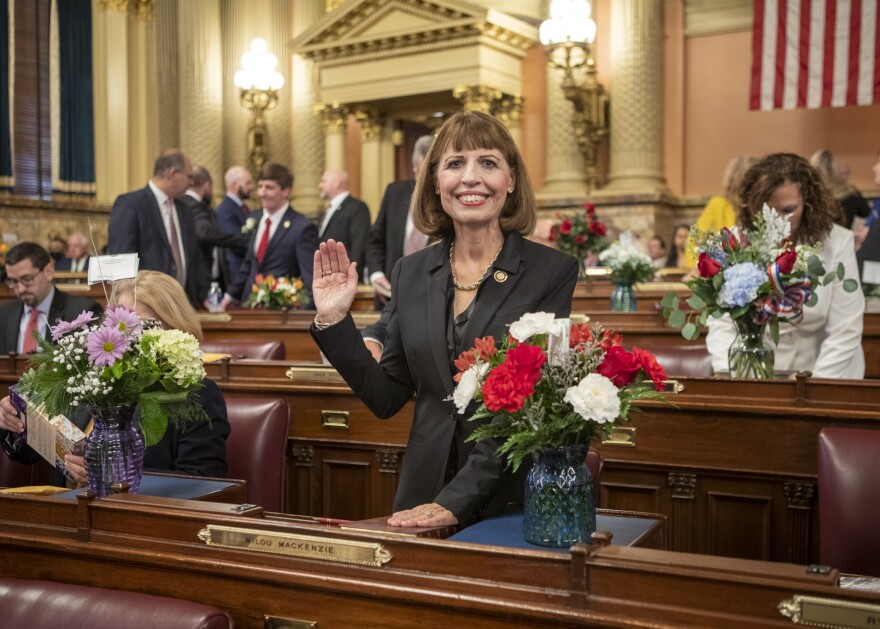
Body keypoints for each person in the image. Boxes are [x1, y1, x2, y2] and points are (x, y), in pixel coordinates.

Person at [311, 111, 579, 530]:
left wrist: (457, 501)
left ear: (511, 180)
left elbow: (528, 407)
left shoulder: (551, 271)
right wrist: (334, 321)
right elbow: (387, 396)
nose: (471, 177)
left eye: (488, 163)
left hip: (509, 497)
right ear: (435, 181)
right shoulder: (410, 272)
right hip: (422, 492)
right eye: (455, 164)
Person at [0, 270, 230, 484]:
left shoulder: (195, 393)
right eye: (118, 326)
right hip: (65, 512)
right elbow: (33, 451)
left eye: (141, 326)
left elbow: (201, 482)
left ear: (174, 328)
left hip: (131, 521)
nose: (126, 338)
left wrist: (114, 479)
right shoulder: (91, 377)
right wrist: (15, 420)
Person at [706, 153, 865, 379]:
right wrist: (731, 376)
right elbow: (721, 323)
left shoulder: (837, 243)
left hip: (826, 370)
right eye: (769, 210)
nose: (779, 220)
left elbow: (845, 330)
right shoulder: (736, 243)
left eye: (789, 210)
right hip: (756, 371)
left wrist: (814, 387)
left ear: (808, 204)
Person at [107, 148, 209, 310]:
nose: (191, 183)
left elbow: (195, 256)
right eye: (189, 176)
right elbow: (121, 259)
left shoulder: (185, 210)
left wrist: (205, 296)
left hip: (184, 307)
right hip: (146, 307)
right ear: (172, 173)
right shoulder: (131, 204)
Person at [223, 162, 318, 308]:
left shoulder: (302, 227)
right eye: (260, 186)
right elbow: (249, 264)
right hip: (248, 305)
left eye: (269, 187)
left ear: (286, 191)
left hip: (281, 309)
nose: (262, 193)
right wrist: (229, 296)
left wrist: (301, 314)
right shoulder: (254, 218)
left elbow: (310, 277)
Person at [366, 134, 433, 308]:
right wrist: (376, 274)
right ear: (414, 168)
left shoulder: (450, 198)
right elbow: (375, 240)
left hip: (432, 298)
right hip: (390, 297)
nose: (427, 179)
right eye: (422, 171)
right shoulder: (395, 192)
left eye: (432, 171)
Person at [0, 242, 102, 354]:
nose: (20, 289)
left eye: (27, 279)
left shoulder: (81, 313)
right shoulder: (4, 315)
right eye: (14, 281)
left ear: (49, 272)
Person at [182, 165, 247, 292]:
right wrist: (240, 241)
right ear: (207, 186)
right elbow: (205, 233)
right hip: (199, 275)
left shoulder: (181, 203)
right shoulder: (196, 206)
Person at [317, 169, 371, 281]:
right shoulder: (327, 210)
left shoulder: (357, 207)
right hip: (326, 279)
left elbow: (359, 247)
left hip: (344, 281)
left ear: (337, 183)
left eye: (324, 181)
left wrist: (348, 276)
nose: (320, 185)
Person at [809, 149, 871, 230]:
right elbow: (866, 212)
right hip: (843, 239)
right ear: (836, 170)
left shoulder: (809, 194)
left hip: (813, 240)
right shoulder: (850, 193)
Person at [215, 165, 255, 278]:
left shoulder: (241, 207)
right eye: (247, 183)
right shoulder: (225, 209)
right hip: (236, 270)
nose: (251, 187)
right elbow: (234, 240)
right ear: (235, 185)